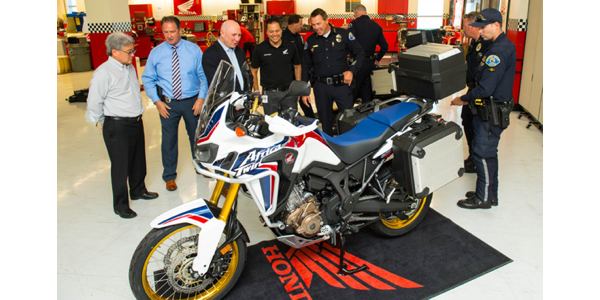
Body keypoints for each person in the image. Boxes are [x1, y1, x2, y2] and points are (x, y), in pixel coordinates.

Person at [86, 32, 158, 219]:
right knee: (121, 166)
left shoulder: (129, 67)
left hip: (135, 121)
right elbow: (94, 102)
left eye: (132, 50)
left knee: (137, 160)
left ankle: (138, 190)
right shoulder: (103, 72)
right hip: (117, 125)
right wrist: (102, 122)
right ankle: (120, 205)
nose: (132, 54)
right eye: (129, 51)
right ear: (115, 52)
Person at [451, 8, 516, 209]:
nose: (481, 31)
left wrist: (464, 98)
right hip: (491, 108)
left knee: (482, 153)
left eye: (483, 27)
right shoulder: (496, 44)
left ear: (496, 25)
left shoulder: (498, 50)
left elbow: (486, 87)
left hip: (491, 110)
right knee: (487, 152)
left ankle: (484, 198)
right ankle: (488, 193)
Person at [142, 16, 208, 192]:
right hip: (167, 105)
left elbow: (203, 76)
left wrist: (201, 98)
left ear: (179, 30)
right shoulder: (156, 53)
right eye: (165, 32)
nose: (169, 36)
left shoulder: (194, 50)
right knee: (168, 140)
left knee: (196, 137)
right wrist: (157, 102)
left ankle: (200, 167)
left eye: (172, 31)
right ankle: (169, 176)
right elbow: (148, 79)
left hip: (192, 102)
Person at [302, 8, 364, 135]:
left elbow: (360, 53)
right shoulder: (311, 41)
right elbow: (306, 66)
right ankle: (329, 149)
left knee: (348, 121)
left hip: (342, 85)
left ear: (326, 20)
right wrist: (304, 90)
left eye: (318, 23)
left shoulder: (343, 34)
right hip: (321, 88)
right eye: (313, 25)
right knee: (326, 124)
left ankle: (349, 148)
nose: (316, 27)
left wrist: (352, 71)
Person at [461, 11, 492, 174]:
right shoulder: (473, 43)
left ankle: (477, 159)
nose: (463, 28)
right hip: (472, 88)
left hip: (479, 91)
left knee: (475, 125)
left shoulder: (485, 44)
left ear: (474, 26)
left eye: (466, 25)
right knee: (466, 121)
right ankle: (472, 157)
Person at [251, 18, 302, 115]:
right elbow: (253, 70)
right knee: (272, 125)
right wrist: (257, 91)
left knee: (290, 124)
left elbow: (297, 66)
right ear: (266, 32)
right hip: (269, 95)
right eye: (271, 31)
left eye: (277, 31)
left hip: (289, 94)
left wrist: (298, 87)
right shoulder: (259, 49)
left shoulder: (290, 46)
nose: (275, 34)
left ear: (281, 30)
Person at [348, 4, 388, 104]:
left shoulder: (354, 24)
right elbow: (385, 46)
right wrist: (377, 59)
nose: (353, 16)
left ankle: (346, 116)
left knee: (352, 93)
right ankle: (366, 113)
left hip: (357, 64)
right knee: (367, 93)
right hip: (370, 64)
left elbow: (348, 43)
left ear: (357, 12)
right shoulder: (376, 26)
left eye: (354, 14)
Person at [202, 20, 252, 92]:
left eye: (239, 35)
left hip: (243, 99)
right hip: (227, 101)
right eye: (234, 35)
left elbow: (247, 74)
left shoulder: (239, 51)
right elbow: (216, 85)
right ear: (222, 33)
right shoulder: (210, 54)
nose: (237, 39)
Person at [283, 14, 315, 118]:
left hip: (301, 71)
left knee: (303, 94)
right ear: (294, 24)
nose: (302, 26)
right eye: (300, 23)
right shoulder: (283, 37)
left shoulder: (298, 36)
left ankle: (311, 117)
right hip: (289, 74)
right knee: (292, 98)